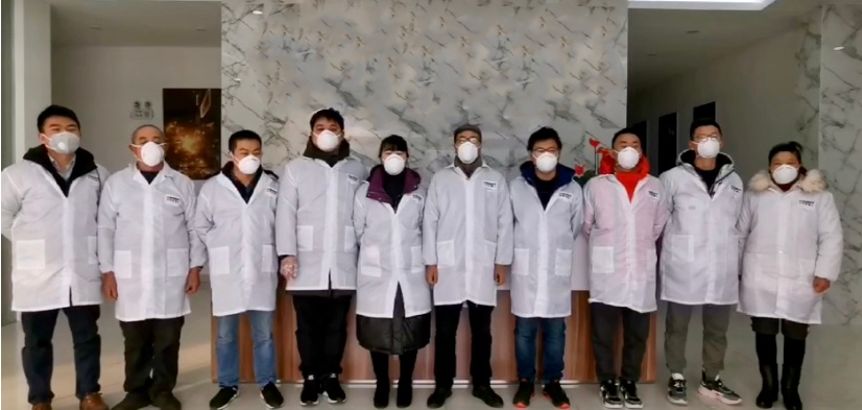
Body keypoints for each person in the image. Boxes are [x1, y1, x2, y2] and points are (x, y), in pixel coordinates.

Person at [0, 105, 109, 410]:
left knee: (87, 337)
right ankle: (40, 399)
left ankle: (89, 393)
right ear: (42, 136)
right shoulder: (17, 174)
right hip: (37, 274)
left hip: (81, 270)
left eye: (71, 128)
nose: (65, 134)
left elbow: (106, 219)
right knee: (36, 341)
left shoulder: (97, 174)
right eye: (56, 129)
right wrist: (30, 244)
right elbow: (3, 215)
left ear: (80, 133)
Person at [99, 124, 205, 410]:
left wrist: (195, 267)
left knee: (168, 339)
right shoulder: (117, 184)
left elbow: (195, 229)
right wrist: (108, 271)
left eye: (156, 140)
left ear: (165, 147)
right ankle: (136, 391)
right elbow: (105, 229)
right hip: (130, 276)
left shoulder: (181, 183)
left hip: (171, 275)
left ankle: (162, 390)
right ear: (132, 148)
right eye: (143, 140)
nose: (150, 144)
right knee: (135, 340)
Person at [737, 141, 843, 410]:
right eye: (777, 163)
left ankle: (790, 389)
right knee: (764, 331)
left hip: (801, 278)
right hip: (760, 275)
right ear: (769, 167)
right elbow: (740, 233)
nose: (784, 168)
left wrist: (825, 273)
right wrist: (736, 270)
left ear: (800, 166)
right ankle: (769, 387)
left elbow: (831, 237)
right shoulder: (755, 195)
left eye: (790, 163)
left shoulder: (820, 197)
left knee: (796, 333)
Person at [275, 108, 368, 406]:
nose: (326, 132)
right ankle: (311, 377)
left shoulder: (357, 169)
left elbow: (363, 216)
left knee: (337, 326)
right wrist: (287, 253)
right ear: (311, 133)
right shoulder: (295, 168)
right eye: (320, 127)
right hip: (305, 261)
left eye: (332, 127)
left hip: (343, 261)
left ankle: (331, 377)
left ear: (342, 133)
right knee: (307, 326)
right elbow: (285, 213)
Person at [423, 124, 513, 409]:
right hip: (447, 266)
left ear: (481, 144)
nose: (468, 143)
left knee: (482, 331)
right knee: (445, 332)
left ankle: (482, 384)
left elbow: (504, 222)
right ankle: (443, 385)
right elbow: (429, 221)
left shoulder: (495, 178)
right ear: (454, 145)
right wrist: (430, 261)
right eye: (462, 139)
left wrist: (502, 261)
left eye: (473, 139)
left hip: (483, 265)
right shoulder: (441, 179)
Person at [195, 130, 284, 409]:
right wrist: (219, 244)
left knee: (264, 334)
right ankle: (228, 384)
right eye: (244, 152)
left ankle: (267, 383)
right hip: (228, 271)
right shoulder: (213, 187)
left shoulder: (273, 186)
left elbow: (283, 224)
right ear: (231, 154)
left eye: (256, 152)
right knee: (225, 335)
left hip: (261, 268)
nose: (251, 157)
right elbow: (200, 225)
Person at [659, 119, 744, 406]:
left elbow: (738, 225)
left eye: (713, 135)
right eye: (702, 136)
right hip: (684, 264)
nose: (708, 140)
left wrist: (739, 262)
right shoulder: (671, 178)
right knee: (677, 325)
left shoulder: (734, 181)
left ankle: (712, 378)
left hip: (721, 265)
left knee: (717, 328)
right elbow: (660, 219)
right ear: (692, 143)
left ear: (722, 140)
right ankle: (676, 375)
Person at [583, 128, 669, 409]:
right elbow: (587, 225)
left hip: (640, 269)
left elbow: (658, 225)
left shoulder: (655, 186)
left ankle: (629, 380)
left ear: (642, 151)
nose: (629, 149)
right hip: (607, 271)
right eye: (623, 144)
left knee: (637, 334)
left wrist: (636, 244)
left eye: (635, 144)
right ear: (613, 151)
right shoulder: (596, 185)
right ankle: (607, 381)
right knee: (603, 333)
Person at [353, 135, 431, 409]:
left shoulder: (420, 191)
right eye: (389, 151)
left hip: (411, 272)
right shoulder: (364, 192)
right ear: (380, 156)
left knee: (411, 330)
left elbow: (426, 230)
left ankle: (406, 382)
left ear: (407, 156)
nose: (394, 156)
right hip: (377, 273)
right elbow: (358, 231)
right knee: (378, 332)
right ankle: (382, 383)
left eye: (399, 151)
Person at [509, 127, 583, 409]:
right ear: (531, 154)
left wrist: (555, 246)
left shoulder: (572, 188)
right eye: (540, 150)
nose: (546, 155)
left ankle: (553, 383)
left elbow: (576, 226)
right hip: (526, 269)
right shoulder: (517, 187)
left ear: (559, 152)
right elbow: (508, 224)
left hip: (555, 270)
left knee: (555, 331)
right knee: (524, 331)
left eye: (551, 150)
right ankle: (525, 382)